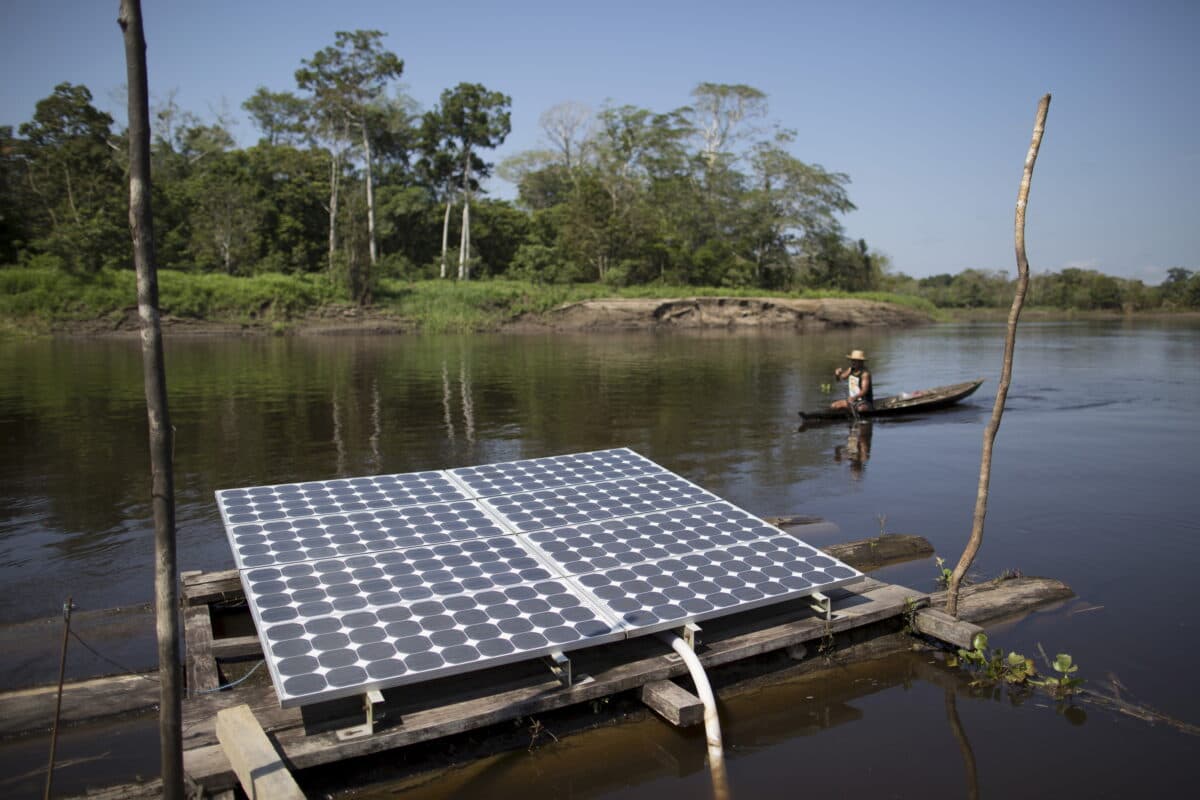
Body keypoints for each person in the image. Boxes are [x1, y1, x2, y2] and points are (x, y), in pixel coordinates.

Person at [831, 349, 873, 413]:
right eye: (852, 360)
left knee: (860, 409)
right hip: (853, 401)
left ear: (861, 362)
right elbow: (840, 379)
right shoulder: (851, 369)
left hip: (865, 402)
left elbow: (864, 391)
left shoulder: (865, 374)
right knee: (833, 406)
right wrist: (837, 374)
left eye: (855, 361)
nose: (853, 362)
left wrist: (854, 398)